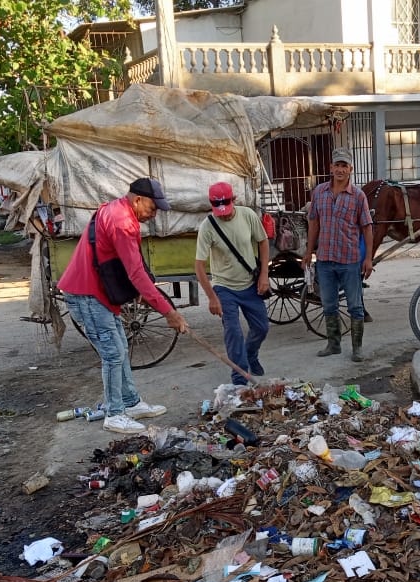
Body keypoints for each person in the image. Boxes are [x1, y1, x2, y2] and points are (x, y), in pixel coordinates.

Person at [58, 177, 189, 435]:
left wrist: (142, 291)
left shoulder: (117, 210)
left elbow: (134, 265)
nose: (155, 214)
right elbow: (136, 275)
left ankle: (130, 402)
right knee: (113, 354)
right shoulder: (122, 222)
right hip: (87, 295)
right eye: (153, 208)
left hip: (97, 294)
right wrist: (169, 312)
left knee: (121, 347)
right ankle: (115, 414)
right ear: (137, 199)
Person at [194, 181, 271, 386]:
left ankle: (250, 354)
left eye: (227, 209)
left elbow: (263, 242)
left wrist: (264, 274)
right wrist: (212, 297)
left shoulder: (247, 215)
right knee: (233, 332)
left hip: (249, 283)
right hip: (224, 287)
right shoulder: (207, 226)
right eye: (219, 211)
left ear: (234, 200)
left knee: (262, 327)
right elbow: (199, 266)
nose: (224, 215)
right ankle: (239, 378)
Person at [302, 147, 373, 362]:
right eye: (337, 165)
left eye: (345, 166)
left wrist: (368, 258)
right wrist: (308, 252)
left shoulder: (358, 196)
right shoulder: (319, 193)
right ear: (331, 168)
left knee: (355, 306)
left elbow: (367, 228)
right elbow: (313, 223)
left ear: (350, 169)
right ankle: (333, 344)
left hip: (350, 261)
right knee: (329, 304)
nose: (340, 170)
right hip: (324, 260)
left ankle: (357, 348)